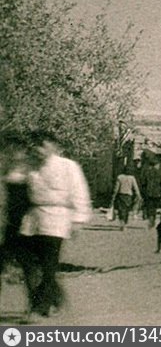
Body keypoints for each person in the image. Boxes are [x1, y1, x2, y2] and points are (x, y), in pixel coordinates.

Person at [20, 129, 92, 317]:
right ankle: (55, 297)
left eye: (42, 145)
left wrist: (78, 220)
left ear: (53, 146)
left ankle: (39, 307)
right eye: (35, 145)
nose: (38, 149)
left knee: (48, 265)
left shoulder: (68, 166)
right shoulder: (30, 167)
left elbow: (80, 193)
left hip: (57, 219)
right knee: (28, 263)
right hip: (33, 219)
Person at [1, 135, 35, 316]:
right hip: (7, 225)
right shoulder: (5, 170)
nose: (13, 153)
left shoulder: (31, 171)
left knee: (28, 265)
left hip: (25, 224)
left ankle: (34, 304)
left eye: (17, 150)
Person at [140, 155, 161, 226]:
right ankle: (152, 219)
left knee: (149, 207)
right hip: (157, 193)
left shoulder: (147, 173)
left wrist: (143, 193)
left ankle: (150, 219)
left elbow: (143, 183)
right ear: (156, 165)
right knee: (154, 207)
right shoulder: (160, 173)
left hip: (148, 192)